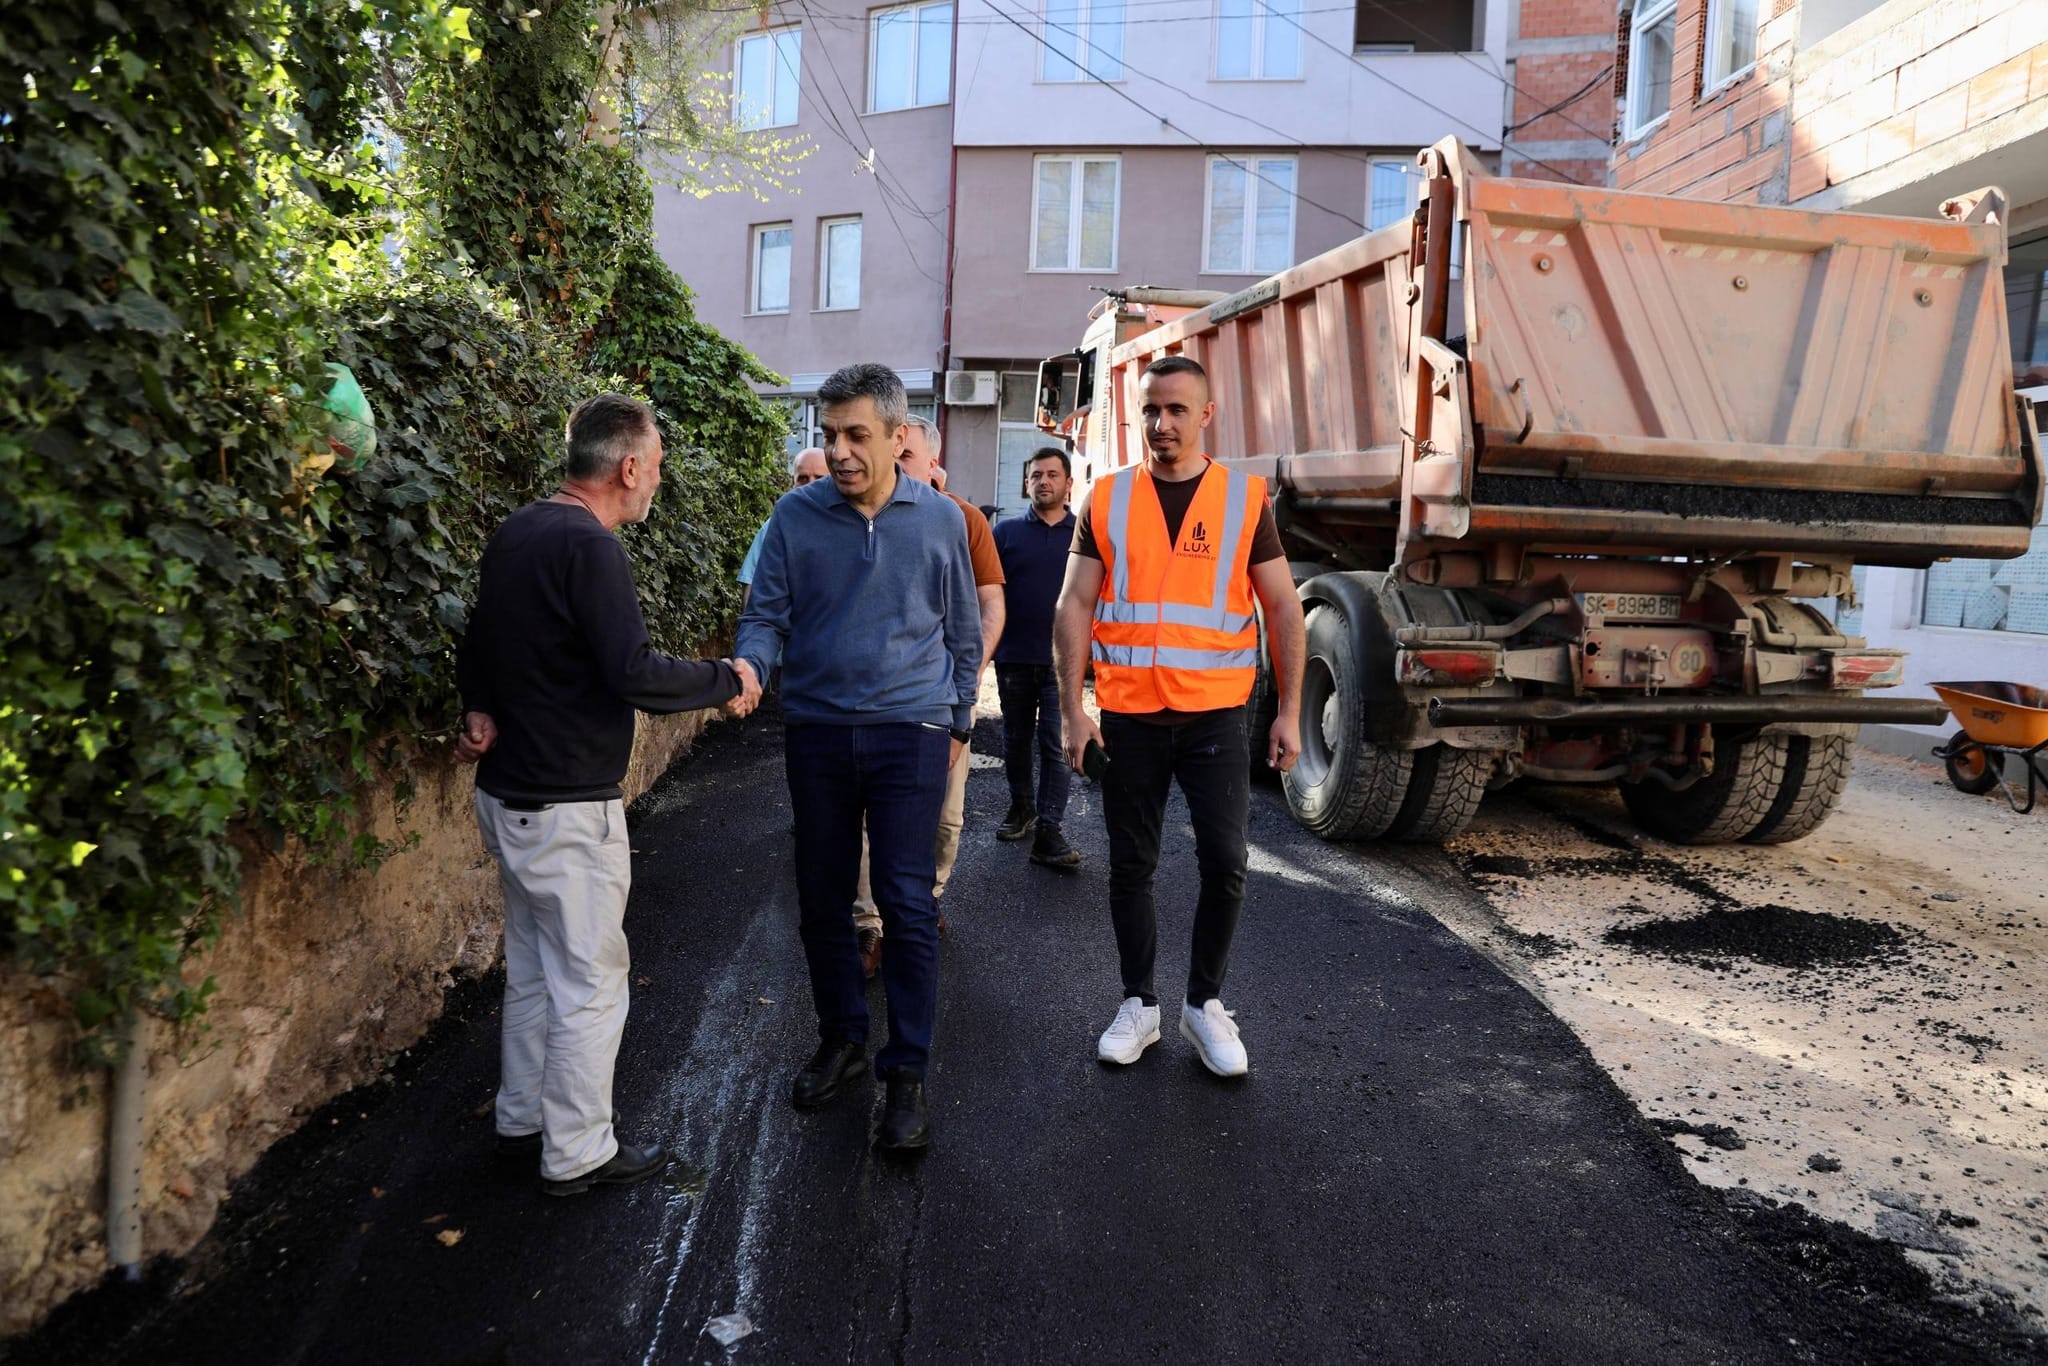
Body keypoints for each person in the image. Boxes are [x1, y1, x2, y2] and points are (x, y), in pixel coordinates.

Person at [455, 393, 762, 1195]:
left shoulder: (519, 530)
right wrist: (726, 679)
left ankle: (521, 1121)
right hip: (564, 807)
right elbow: (632, 674)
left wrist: (476, 707)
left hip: (507, 799)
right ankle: (579, 1151)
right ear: (627, 468)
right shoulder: (591, 549)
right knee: (591, 981)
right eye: (655, 465)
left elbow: (478, 637)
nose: (655, 479)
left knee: (532, 970)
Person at [735, 364, 979, 1154]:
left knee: (906, 905)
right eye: (828, 434)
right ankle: (841, 1039)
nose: (837, 451)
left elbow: (964, 629)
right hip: (817, 730)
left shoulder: (939, 520)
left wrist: (959, 719)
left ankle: (905, 1074)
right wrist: (750, 668)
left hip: (910, 730)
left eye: (855, 435)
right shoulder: (794, 516)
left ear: (898, 436)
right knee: (821, 897)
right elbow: (765, 616)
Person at [1052, 356, 1305, 1078]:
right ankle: (1141, 1004)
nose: (1161, 425)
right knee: (1132, 864)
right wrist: (1073, 711)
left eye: (1177, 411)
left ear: (1206, 415)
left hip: (1216, 718)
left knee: (1225, 861)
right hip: (1129, 715)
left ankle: (1204, 1006)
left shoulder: (1243, 499)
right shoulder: (1105, 498)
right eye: (1150, 411)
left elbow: (1283, 605)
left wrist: (1288, 711)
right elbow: (1074, 603)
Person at [850, 412, 1005, 975]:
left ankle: (927, 898)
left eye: (906, 456)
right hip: (868, 706)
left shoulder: (960, 520)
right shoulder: (853, 514)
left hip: (938, 704)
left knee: (944, 819)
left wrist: (965, 678)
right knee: (868, 822)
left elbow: (990, 607)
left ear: (933, 462)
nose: (893, 468)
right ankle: (870, 927)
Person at [992, 447, 1081, 869]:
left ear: (1068, 483)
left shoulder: (1084, 533)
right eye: (1035, 476)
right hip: (1013, 657)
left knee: (1056, 744)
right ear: (1025, 483)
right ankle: (1022, 807)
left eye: (1051, 475)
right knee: (1015, 740)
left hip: (1063, 663)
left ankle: (1049, 828)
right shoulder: (1005, 534)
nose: (1043, 482)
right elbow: (987, 595)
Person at [739, 447, 827, 610]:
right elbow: (752, 589)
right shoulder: (774, 527)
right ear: (792, 481)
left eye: (820, 478)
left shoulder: (851, 526)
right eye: (803, 478)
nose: (811, 485)